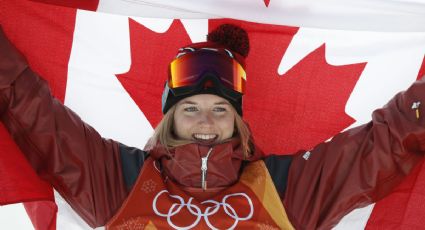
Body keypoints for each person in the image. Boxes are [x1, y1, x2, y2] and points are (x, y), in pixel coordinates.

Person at [1, 23, 425, 230]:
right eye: (191, 109)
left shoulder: (285, 187)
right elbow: (35, 113)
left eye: (221, 109)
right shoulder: (120, 178)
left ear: (238, 121)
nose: (206, 121)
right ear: (169, 118)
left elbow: (384, 144)